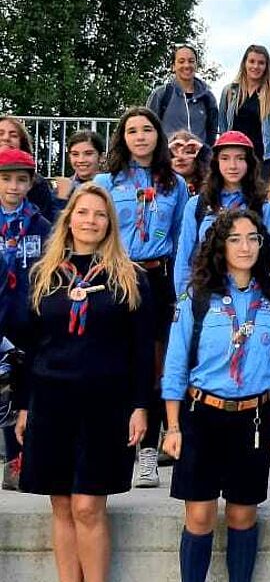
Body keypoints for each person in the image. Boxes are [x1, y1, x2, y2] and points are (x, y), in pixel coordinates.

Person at [13, 183, 151, 582]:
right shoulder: (44, 276)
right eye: (82, 212)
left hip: (105, 404)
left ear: (110, 223)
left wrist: (139, 406)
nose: (90, 221)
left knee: (89, 504)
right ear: (68, 218)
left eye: (100, 214)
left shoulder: (129, 278)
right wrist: (25, 405)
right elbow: (31, 349)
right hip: (51, 401)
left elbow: (140, 352)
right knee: (60, 503)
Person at [162, 209, 270, 582]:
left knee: (242, 514)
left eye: (252, 239)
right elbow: (176, 364)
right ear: (220, 246)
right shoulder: (198, 297)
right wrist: (173, 425)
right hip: (203, 416)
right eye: (235, 239)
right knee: (199, 515)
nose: (244, 247)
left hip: (253, 417)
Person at [96, 107, 188, 489]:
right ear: (122, 137)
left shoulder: (174, 183)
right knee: (111, 360)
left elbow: (183, 238)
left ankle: (148, 451)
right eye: (132, 130)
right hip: (117, 275)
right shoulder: (106, 180)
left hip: (158, 276)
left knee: (151, 365)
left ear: (157, 136)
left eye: (147, 129)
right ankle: (111, 444)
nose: (140, 137)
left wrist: (183, 289)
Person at [173, 131, 270, 296]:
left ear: (250, 163)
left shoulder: (264, 207)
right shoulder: (197, 205)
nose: (233, 166)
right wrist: (184, 298)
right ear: (216, 162)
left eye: (240, 158)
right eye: (225, 158)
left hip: (252, 294)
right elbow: (184, 257)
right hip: (207, 292)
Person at [0, 148, 53, 489]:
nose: (13, 187)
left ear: (31, 182)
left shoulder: (41, 224)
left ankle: (17, 459)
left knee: (22, 390)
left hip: (26, 319)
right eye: (6, 179)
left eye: (21, 180)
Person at [218, 44, 270, 180]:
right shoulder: (230, 91)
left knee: (263, 199)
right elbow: (222, 123)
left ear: (266, 66)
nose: (256, 66)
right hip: (236, 159)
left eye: (261, 63)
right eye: (252, 61)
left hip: (264, 159)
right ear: (245, 63)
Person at [147, 43, 220, 146]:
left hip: (199, 160)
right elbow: (149, 129)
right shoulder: (161, 95)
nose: (187, 65)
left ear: (196, 65)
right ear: (173, 66)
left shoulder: (208, 98)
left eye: (191, 61)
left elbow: (212, 133)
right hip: (168, 159)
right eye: (181, 61)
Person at [0, 116, 56, 221]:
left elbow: (48, 225)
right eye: (0, 133)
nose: (6, 138)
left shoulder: (37, 184)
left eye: (13, 135)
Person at [52, 130, 105, 209]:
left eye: (88, 153)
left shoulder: (112, 186)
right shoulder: (61, 190)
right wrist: (62, 199)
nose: (81, 160)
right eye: (75, 154)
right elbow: (55, 219)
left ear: (101, 157)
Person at [168, 131, 210, 197]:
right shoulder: (160, 186)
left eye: (188, 152)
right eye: (174, 154)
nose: (181, 158)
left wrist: (204, 150)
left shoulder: (209, 186)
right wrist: (165, 149)